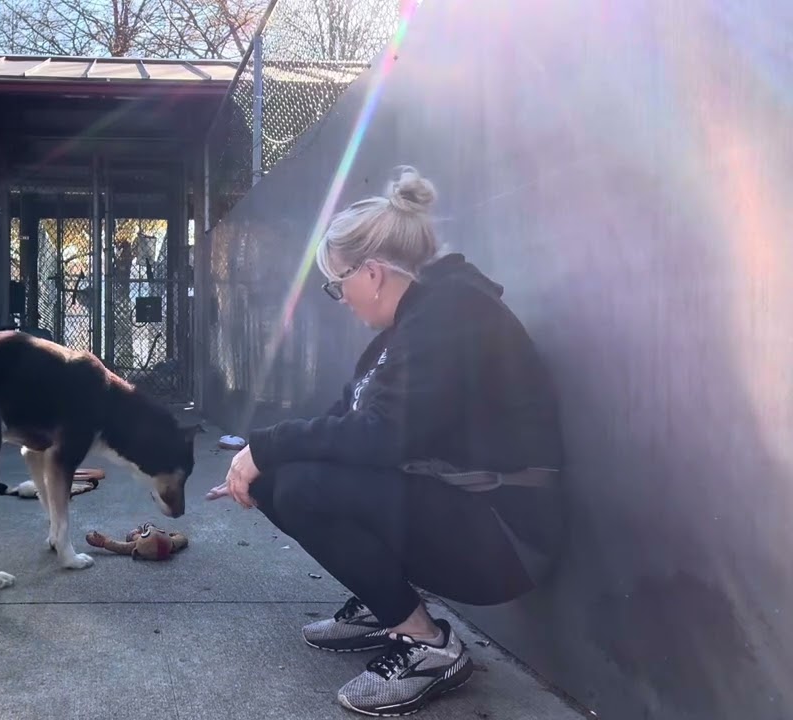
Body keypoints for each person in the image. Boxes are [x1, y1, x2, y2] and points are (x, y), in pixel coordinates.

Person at [206, 166, 565, 716]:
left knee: (299, 483)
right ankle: (386, 602)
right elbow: (345, 421)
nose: (341, 299)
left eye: (338, 284)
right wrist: (257, 460)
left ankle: (428, 646)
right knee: (282, 477)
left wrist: (268, 445)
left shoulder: (452, 317)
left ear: (371, 273)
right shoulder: (408, 329)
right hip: (464, 513)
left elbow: (380, 438)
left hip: (508, 534)